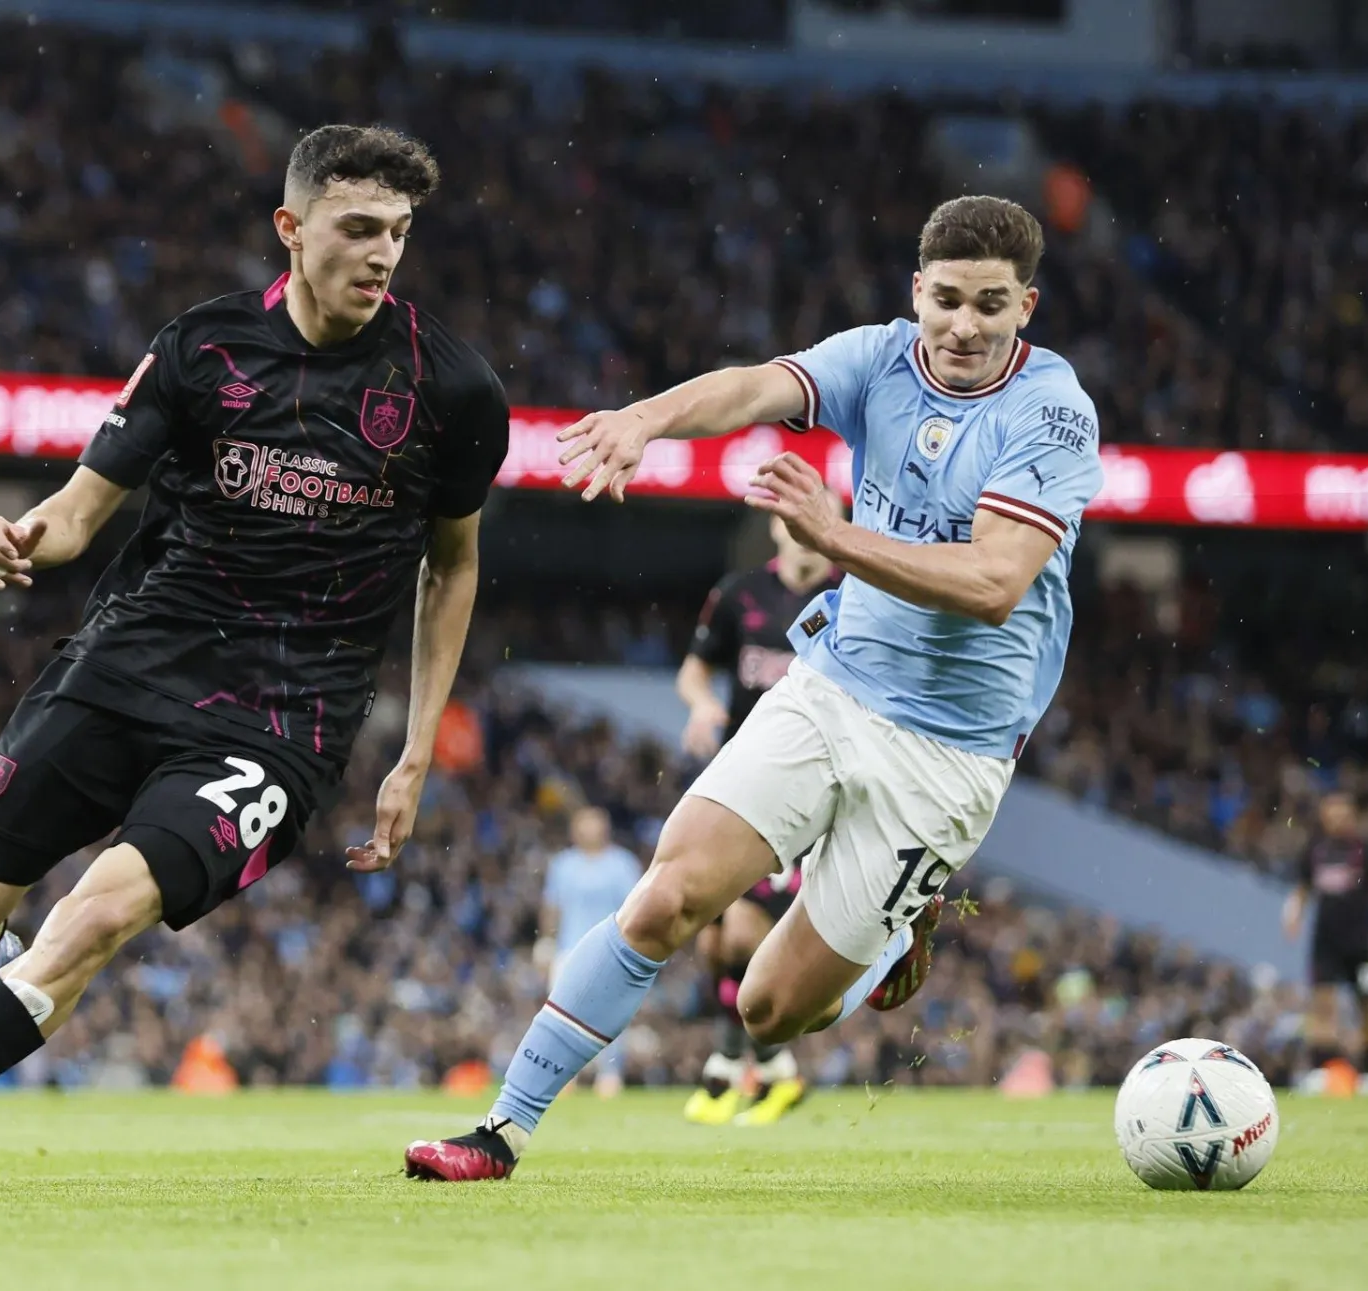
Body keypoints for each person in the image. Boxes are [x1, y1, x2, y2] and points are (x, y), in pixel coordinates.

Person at [0, 123, 510, 1191]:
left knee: (94, 918)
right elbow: (78, 512)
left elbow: (454, 567)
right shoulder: (201, 348)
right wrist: (21, 535)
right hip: (134, 662)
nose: (383, 254)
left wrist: (414, 756)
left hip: (283, 720)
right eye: (358, 228)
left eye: (398, 233)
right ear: (291, 229)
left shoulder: (452, 388)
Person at [406, 194, 1103, 1180]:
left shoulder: (1054, 413)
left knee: (773, 1009)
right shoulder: (881, 357)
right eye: (946, 299)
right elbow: (753, 387)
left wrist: (835, 537)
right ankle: (501, 1131)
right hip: (835, 683)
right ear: (917, 291)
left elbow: (994, 585)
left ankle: (901, 923)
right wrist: (646, 419)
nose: (964, 326)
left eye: (991, 304)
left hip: (951, 749)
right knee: (667, 897)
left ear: (1025, 306)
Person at [677, 517, 840, 1126]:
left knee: (744, 932)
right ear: (776, 527)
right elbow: (693, 669)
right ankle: (768, 1070)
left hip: (807, 791)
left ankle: (731, 1068)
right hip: (740, 780)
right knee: (715, 938)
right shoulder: (739, 594)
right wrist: (703, 704)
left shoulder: (854, 597)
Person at [1283, 790, 1368, 1094]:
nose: (1337, 820)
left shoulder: (1366, 851)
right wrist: (1293, 915)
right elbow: (1303, 889)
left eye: (1342, 814)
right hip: (1325, 941)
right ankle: (1323, 1068)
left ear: (1352, 816)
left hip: (1362, 943)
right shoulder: (1315, 850)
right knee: (1322, 1003)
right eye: (1331, 814)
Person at [538, 806, 643, 1099]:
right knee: (562, 1013)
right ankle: (563, 1075)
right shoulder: (564, 864)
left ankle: (610, 1074)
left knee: (609, 1014)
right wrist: (545, 943)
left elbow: (635, 907)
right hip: (569, 948)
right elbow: (552, 907)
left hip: (611, 949)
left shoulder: (622, 864)